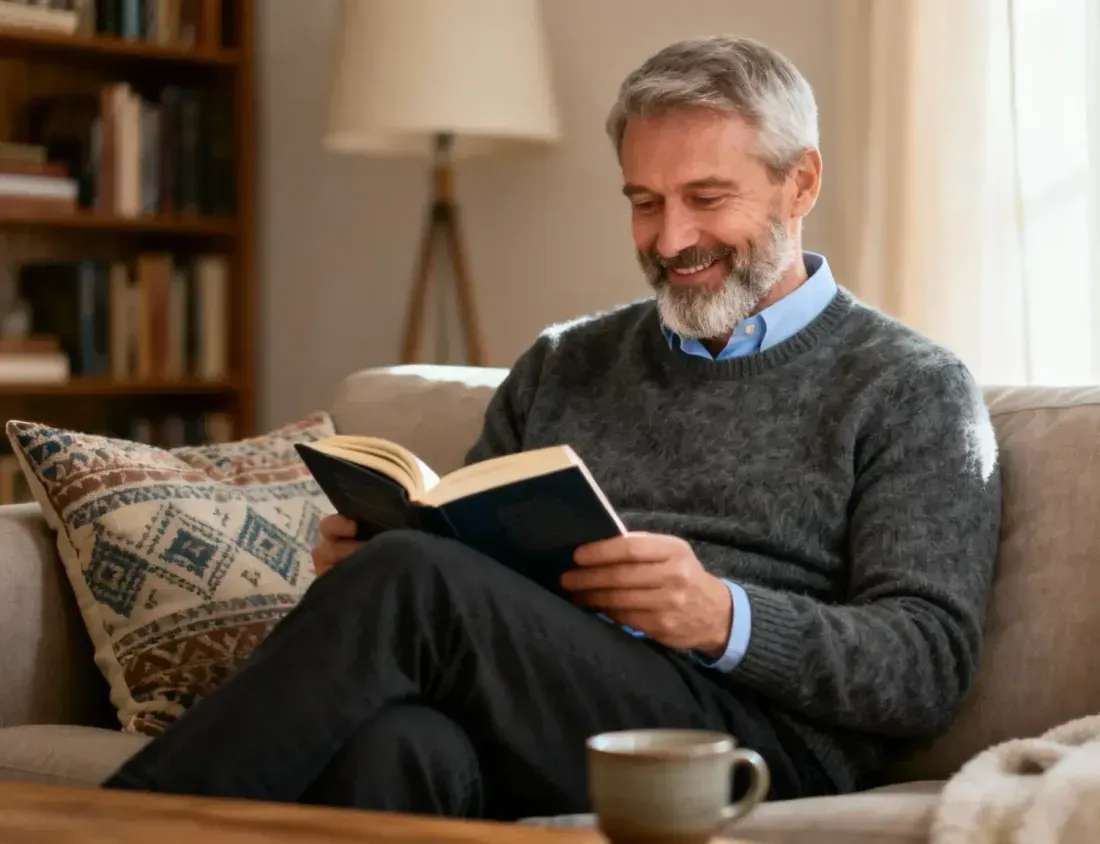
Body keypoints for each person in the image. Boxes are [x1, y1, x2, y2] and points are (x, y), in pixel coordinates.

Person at [101, 34, 1001, 821]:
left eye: (706, 196)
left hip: (758, 746)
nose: (670, 236)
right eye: (644, 202)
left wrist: (723, 616)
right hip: (552, 711)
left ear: (799, 180)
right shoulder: (566, 360)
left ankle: (115, 831)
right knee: (400, 746)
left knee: (413, 582)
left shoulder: (910, 386)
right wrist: (382, 550)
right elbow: (468, 559)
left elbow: (927, 665)